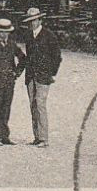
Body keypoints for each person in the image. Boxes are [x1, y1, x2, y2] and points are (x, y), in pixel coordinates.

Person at [20, 8, 62, 148]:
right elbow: (27, 57)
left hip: (43, 76)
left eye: (34, 21)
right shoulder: (28, 36)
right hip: (30, 75)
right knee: (33, 104)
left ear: (40, 20)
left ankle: (44, 138)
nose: (32, 23)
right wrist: (19, 71)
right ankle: (37, 137)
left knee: (40, 104)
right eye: (30, 21)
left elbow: (57, 56)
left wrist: (51, 73)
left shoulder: (49, 35)